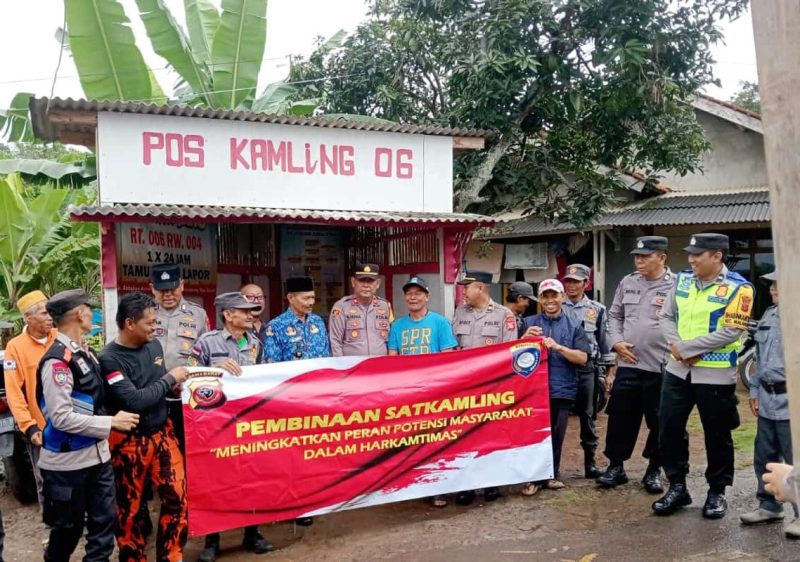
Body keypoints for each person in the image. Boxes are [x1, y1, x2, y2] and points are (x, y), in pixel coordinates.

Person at [654, 233, 754, 519]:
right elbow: (666, 316)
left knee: (717, 433)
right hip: (677, 371)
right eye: (690, 253)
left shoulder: (740, 289)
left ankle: (717, 491)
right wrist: (677, 348)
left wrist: (686, 348)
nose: (691, 259)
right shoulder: (682, 280)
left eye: (698, 254)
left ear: (717, 256)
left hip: (715, 374)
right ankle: (677, 486)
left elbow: (732, 331)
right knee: (669, 428)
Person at [36, 289, 139, 562]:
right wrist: (111, 422)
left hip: (98, 458)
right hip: (66, 466)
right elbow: (60, 417)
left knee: (104, 527)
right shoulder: (57, 361)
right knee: (67, 532)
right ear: (80, 314)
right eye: (88, 309)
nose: (91, 314)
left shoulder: (85, 353)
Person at [98, 292, 191, 561]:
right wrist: (169, 378)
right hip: (128, 443)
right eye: (150, 323)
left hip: (163, 433)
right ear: (129, 323)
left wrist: (174, 384)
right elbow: (134, 400)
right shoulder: (109, 359)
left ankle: (171, 555)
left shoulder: (155, 347)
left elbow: (158, 385)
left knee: (177, 498)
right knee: (129, 510)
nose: (155, 327)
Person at [189, 292, 272, 562]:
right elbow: (187, 378)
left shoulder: (256, 344)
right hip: (215, 427)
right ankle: (213, 540)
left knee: (251, 479)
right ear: (227, 314)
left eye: (251, 311)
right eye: (244, 310)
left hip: (248, 426)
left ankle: (252, 533)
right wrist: (214, 371)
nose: (251, 315)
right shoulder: (206, 343)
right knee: (216, 482)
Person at [597, 236, 674, 494]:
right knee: (620, 418)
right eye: (637, 256)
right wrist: (616, 342)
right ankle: (616, 467)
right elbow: (614, 315)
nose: (639, 260)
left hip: (661, 368)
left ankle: (654, 469)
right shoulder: (628, 282)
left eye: (645, 256)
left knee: (660, 421)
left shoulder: (677, 286)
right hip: (629, 364)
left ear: (661, 257)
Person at [739, 271, 800, 537]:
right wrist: (753, 390)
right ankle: (769, 506)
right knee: (764, 456)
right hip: (767, 399)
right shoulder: (769, 314)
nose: (772, 289)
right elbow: (759, 359)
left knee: (795, 459)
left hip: (793, 400)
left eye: (777, 284)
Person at [388, 276, 457, 507]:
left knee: (437, 439)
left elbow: (449, 358)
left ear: (427, 296)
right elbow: (392, 360)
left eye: (418, 293)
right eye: (409, 293)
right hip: (408, 393)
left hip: (435, 391)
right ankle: (414, 485)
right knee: (411, 440)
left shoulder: (440, 323)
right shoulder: (397, 326)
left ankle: (438, 488)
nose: (413, 297)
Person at [451, 270, 517, 505]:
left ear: (480, 288)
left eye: (466, 287)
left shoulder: (503, 315)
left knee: (490, 434)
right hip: (465, 387)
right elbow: (454, 348)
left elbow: (510, 354)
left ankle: (491, 483)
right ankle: (467, 484)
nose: (463, 292)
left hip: (492, 388)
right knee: (465, 436)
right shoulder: (460, 313)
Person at [520, 279, 590, 494]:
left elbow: (582, 357)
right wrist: (523, 339)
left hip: (562, 388)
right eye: (545, 296)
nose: (550, 300)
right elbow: (511, 355)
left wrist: (559, 347)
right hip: (533, 389)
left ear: (562, 297)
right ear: (539, 299)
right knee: (533, 435)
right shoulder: (528, 323)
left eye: (554, 295)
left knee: (557, 435)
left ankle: (552, 475)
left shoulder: (575, 324)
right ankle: (532, 479)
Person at [3, 290, 57, 508]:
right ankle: (50, 527)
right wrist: (29, 426)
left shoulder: (58, 336)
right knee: (45, 478)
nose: (49, 317)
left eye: (50, 312)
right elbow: (14, 393)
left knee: (75, 475)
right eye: (44, 313)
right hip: (41, 428)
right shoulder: (15, 347)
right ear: (28, 317)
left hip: (70, 421)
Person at [151, 263, 208, 448]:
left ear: (182, 285)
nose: (167, 295)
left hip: (185, 395)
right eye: (162, 290)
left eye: (172, 289)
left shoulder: (198, 314)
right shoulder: (145, 313)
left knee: (188, 445)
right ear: (152, 288)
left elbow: (205, 352)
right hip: (153, 394)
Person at [561, 264, 610, 479]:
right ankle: (552, 466)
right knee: (557, 417)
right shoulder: (555, 304)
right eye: (568, 281)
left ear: (586, 283)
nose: (571, 285)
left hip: (586, 368)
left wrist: (611, 373)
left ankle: (590, 463)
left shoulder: (597, 310)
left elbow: (605, 343)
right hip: (560, 367)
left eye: (576, 281)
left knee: (588, 416)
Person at [329, 263, 393, 356]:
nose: (366, 285)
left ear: (378, 284)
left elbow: (392, 339)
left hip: (379, 366)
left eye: (370, 281)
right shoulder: (341, 307)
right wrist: (342, 367)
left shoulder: (385, 306)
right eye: (361, 280)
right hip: (352, 366)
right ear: (353, 282)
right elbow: (335, 342)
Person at [264, 276, 330, 363]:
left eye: (313, 297)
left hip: (318, 375)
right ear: (291, 298)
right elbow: (272, 363)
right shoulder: (275, 326)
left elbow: (326, 354)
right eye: (306, 298)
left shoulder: (317, 321)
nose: (311, 302)